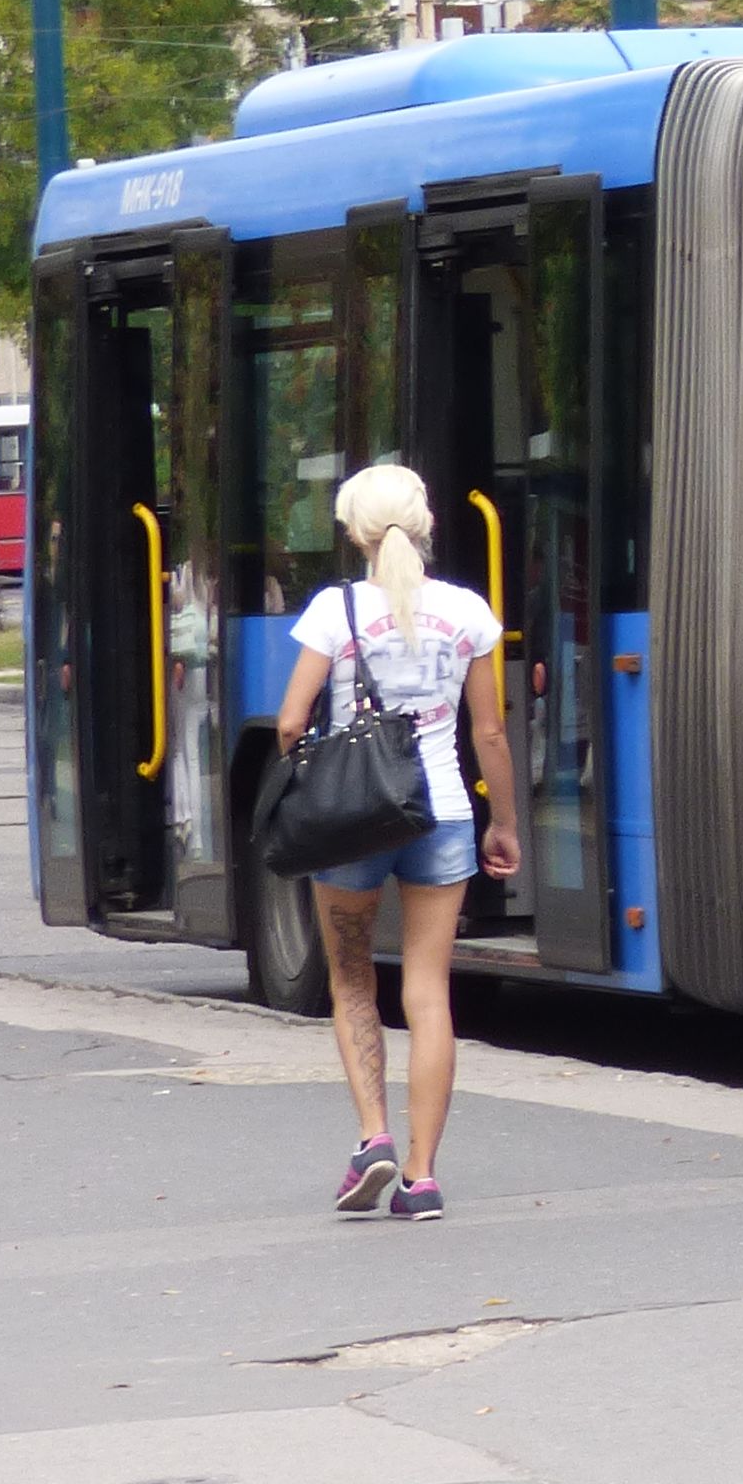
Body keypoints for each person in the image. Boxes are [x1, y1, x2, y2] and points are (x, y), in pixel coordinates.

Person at [270, 465, 520, 1223]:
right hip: (441, 815)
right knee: (429, 992)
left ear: (354, 532)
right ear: (426, 523)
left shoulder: (332, 609)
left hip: (354, 818)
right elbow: (490, 731)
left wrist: (301, 778)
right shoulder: (468, 612)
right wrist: (503, 823)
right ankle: (422, 1178)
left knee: (352, 981)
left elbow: (289, 720)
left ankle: (374, 1137)